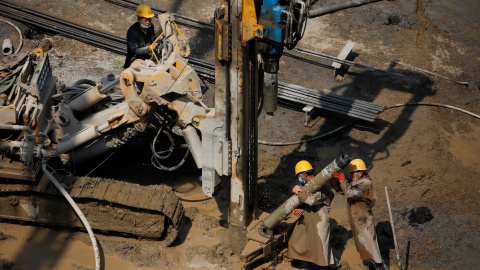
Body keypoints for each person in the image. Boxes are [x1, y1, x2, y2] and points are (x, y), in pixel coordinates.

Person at [330, 159, 388, 270]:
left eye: (352, 173)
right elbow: (344, 191)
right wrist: (335, 183)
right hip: (358, 219)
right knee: (365, 246)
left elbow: (350, 192)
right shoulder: (355, 183)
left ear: (360, 173)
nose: (351, 175)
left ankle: (381, 267)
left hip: (364, 218)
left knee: (371, 245)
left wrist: (343, 181)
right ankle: (373, 266)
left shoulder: (366, 183)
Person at [287, 160, 340, 269]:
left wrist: (298, 192)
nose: (298, 178)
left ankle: (327, 266)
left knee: (320, 246)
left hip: (319, 220)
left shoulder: (319, 185)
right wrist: (296, 210)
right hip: (307, 217)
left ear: (304, 174)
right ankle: (299, 259)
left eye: (299, 175)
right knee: (297, 237)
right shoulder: (306, 185)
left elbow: (312, 200)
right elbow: (299, 202)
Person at [123, 4, 158, 68]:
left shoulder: (150, 27)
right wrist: (149, 48)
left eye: (149, 19)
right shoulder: (132, 32)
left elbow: (153, 39)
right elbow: (134, 50)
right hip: (134, 63)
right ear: (138, 20)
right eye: (145, 20)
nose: (148, 22)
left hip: (147, 60)